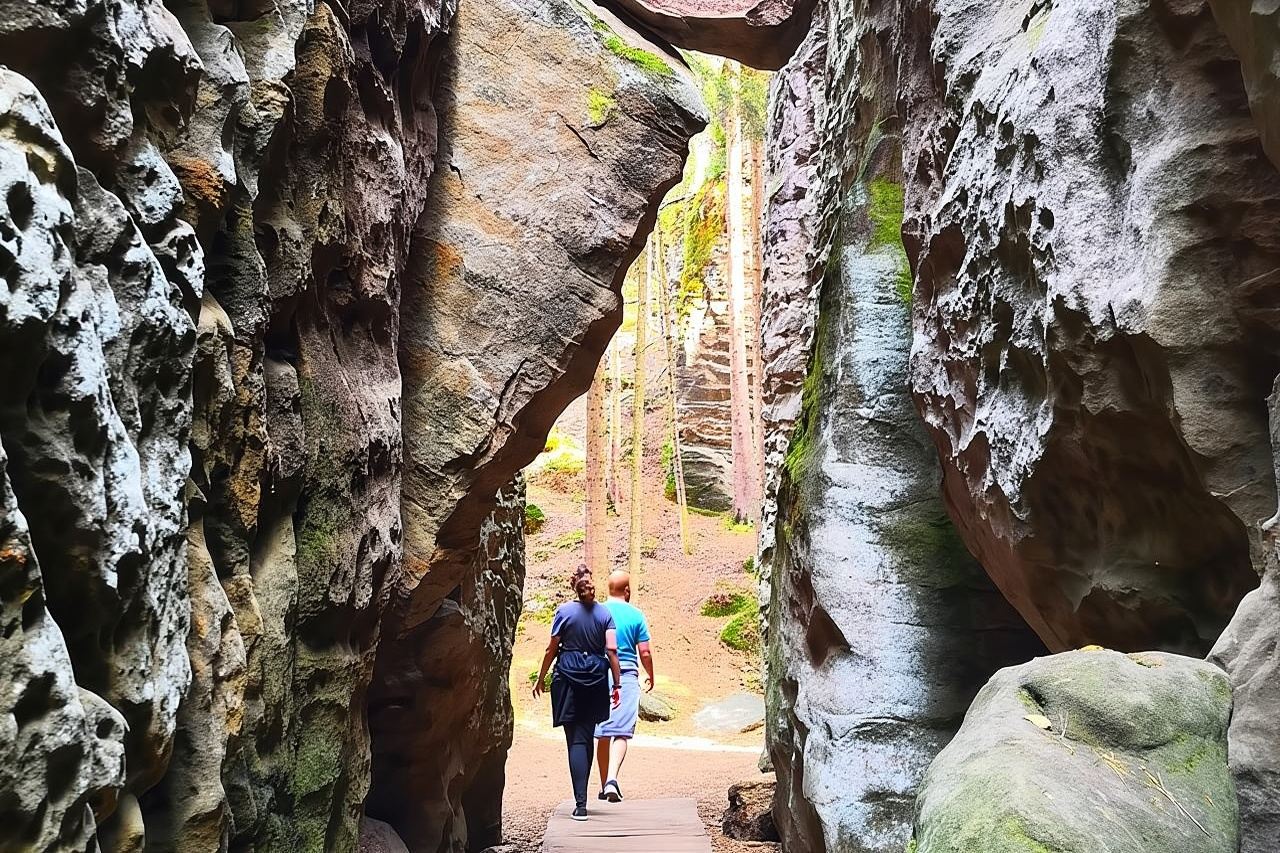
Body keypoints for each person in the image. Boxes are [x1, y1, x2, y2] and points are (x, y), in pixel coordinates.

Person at [532, 566, 622, 821]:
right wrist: (617, 684)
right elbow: (612, 651)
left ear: (574, 586)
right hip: (594, 680)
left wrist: (541, 678)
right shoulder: (605, 614)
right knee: (586, 735)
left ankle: (580, 803)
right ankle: (583, 800)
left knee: (575, 741)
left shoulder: (563, 612)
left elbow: (551, 650)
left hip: (567, 679)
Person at [594, 569, 654, 803]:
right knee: (621, 731)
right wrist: (650, 673)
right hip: (627, 675)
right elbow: (645, 651)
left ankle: (603, 785)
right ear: (627, 590)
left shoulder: (597, 612)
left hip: (599, 675)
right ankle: (612, 779)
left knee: (601, 731)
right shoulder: (636, 615)